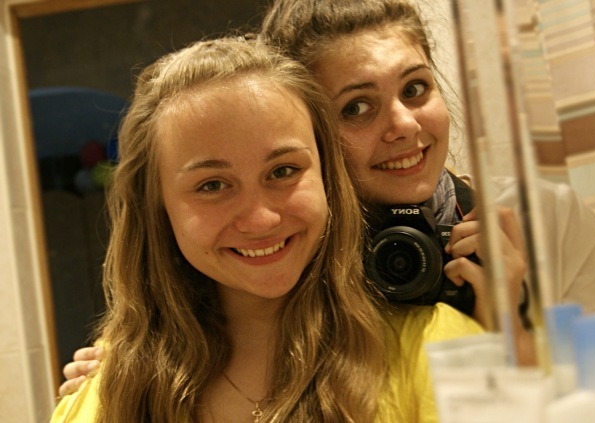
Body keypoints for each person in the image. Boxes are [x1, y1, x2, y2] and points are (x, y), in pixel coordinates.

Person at [51, 35, 483, 422]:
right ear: (158, 210)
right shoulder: (104, 396)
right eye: (212, 185)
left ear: (327, 178)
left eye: (283, 171)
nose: (260, 219)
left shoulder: (443, 352)